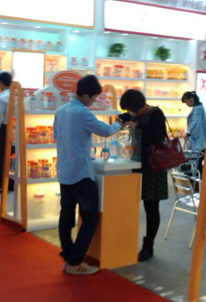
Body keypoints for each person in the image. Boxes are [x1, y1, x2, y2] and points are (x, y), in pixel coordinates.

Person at [53, 75, 122, 275]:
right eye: (93, 98)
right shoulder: (82, 113)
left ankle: (68, 256)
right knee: (90, 218)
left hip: (64, 171)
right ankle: (75, 262)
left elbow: (56, 135)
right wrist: (119, 123)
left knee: (66, 216)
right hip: (81, 173)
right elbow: (106, 131)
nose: (93, 101)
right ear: (85, 96)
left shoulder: (60, 111)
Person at [120, 89, 168, 262]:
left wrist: (137, 128)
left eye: (130, 109)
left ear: (138, 106)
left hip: (153, 167)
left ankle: (148, 246)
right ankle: (126, 242)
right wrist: (122, 119)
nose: (129, 113)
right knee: (131, 203)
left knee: (151, 207)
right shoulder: (135, 115)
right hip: (136, 164)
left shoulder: (155, 114)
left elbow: (157, 137)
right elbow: (123, 116)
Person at [182, 91, 206, 172]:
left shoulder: (197, 109)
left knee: (197, 160)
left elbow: (195, 121)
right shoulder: (198, 107)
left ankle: (196, 176)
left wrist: (188, 132)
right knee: (197, 160)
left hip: (198, 139)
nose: (187, 104)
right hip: (198, 138)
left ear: (191, 99)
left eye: (187, 102)